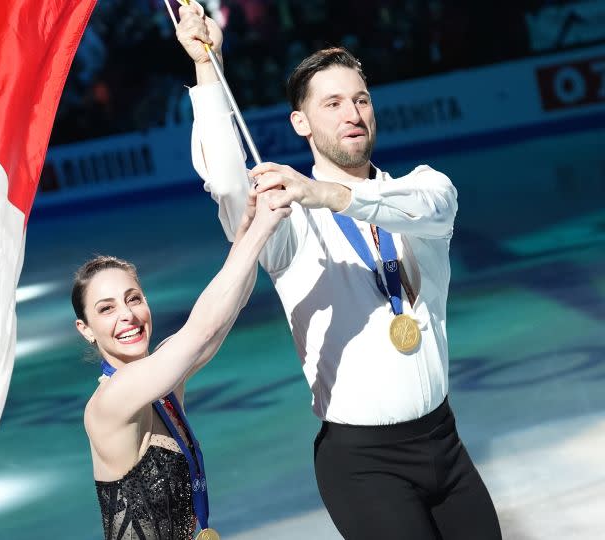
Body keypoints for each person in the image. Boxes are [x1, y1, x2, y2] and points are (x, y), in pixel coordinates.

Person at [175, 3, 502, 539]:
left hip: (445, 442)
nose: (353, 113)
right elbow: (231, 186)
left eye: (361, 99)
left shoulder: (419, 190)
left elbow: (428, 204)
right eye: (332, 103)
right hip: (363, 464)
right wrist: (207, 68)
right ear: (300, 122)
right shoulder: (289, 222)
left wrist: (322, 192)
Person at [73, 187, 290, 540]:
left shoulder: (163, 383)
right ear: (86, 330)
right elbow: (201, 331)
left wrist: (247, 236)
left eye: (134, 299)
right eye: (107, 308)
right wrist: (263, 229)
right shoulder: (111, 401)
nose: (127, 315)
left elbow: (224, 314)